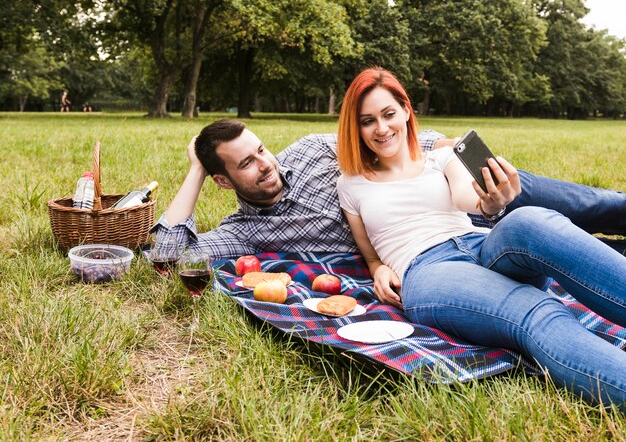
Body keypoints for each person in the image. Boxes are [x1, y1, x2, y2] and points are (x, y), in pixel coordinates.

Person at [335, 67, 626, 409]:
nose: (382, 129)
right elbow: (371, 254)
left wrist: (492, 201)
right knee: (537, 309)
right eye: (368, 121)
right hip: (429, 271)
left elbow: (468, 199)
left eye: (388, 114)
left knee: (531, 219)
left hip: (479, 243)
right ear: (356, 128)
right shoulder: (351, 184)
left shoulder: (441, 157)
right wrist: (378, 269)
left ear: (406, 111)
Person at [152, 119, 626, 260]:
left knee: (597, 205)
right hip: (454, 241)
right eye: (247, 164)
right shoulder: (247, 232)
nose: (264, 164)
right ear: (222, 180)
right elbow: (168, 254)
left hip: (464, 189)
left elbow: (405, 142)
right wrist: (193, 169)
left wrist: (463, 156)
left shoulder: (315, 149)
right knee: (590, 252)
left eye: (262, 150)